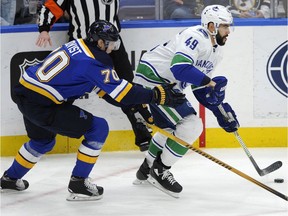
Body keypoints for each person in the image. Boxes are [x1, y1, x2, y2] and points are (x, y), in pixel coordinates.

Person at [0, 20, 185, 201]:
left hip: (26, 93)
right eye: (111, 43)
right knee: (98, 128)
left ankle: (10, 178)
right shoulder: (94, 62)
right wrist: (156, 95)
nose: (114, 47)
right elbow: (123, 93)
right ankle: (78, 182)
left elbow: (106, 91)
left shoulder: (79, 45)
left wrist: (137, 105)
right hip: (43, 104)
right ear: (100, 42)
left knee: (42, 141)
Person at [133, 5, 239, 198]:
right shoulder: (196, 36)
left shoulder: (216, 52)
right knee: (191, 125)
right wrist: (210, 82)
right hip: (153, 80)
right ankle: (160, 170)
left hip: (168, 85)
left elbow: (199, 87)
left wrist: (219, 111)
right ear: (212, 26)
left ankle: (146, 168)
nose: (228, 31)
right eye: (224, 26)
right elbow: (180, 68)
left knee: (170, 129)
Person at [35, 0, 152, 152]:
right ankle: (45, 134)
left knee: (127, 87)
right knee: (68, 92)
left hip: (113, 45)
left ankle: (142, 134)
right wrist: (44, 29)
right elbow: (50, 7)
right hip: (83, 48)